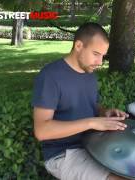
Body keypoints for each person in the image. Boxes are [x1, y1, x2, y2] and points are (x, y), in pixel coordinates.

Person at [32, 22, 128, 180]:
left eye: (103, 56)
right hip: (63, 154)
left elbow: (92, 105)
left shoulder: (89, 73)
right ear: (78, 46)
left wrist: (104, 112)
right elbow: (42, 131)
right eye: (96, 54)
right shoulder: (50, 76)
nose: (100, 62)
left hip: (93, 143)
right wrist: (91, 123)